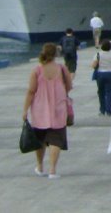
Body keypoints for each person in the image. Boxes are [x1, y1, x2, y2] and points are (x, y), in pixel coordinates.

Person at [23, 42, 72, 178]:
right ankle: (52, 170)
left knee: (40, 139)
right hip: (58, 108)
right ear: (56, 54)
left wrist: (25, 110)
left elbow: (31, 91)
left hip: (40, 109)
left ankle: (40, 166)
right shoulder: (62, 69)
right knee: (56, 139)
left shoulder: (37, 70)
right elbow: (69, 86)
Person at [91, 40, 111, 116]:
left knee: (101, 92)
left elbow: (93, 65)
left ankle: (102, 110)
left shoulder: (98, 54)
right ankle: (109, 111)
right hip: (110, 74)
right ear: (110, 47)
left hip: (100, 74)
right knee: (109, 93)